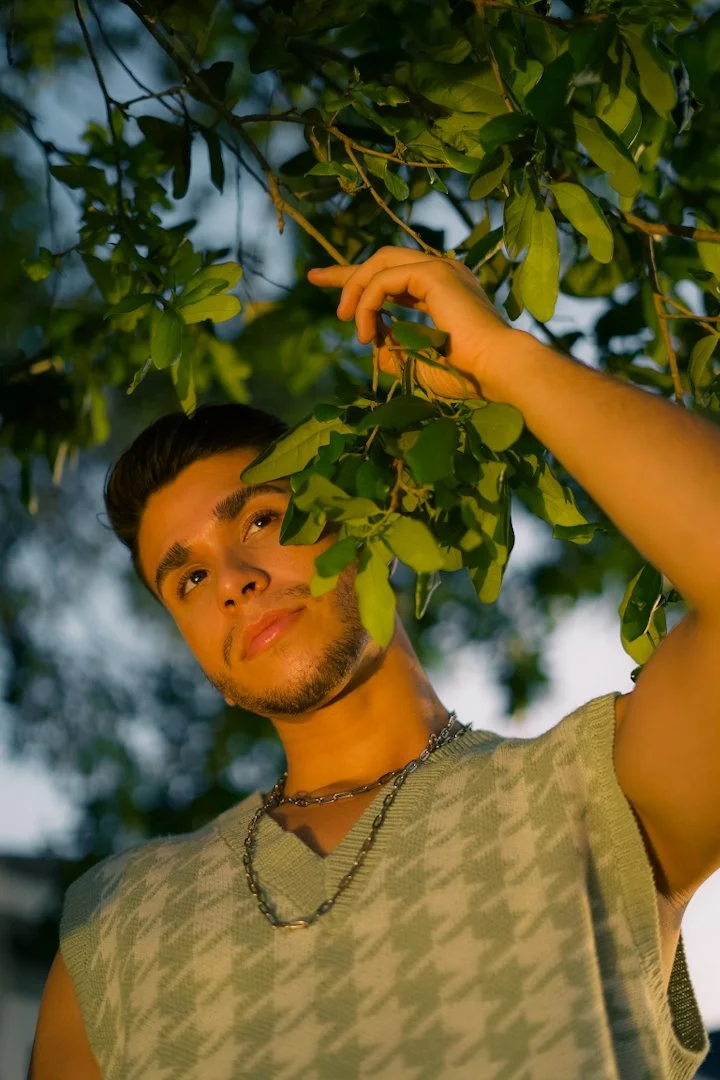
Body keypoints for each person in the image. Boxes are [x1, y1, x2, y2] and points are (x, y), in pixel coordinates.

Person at [28, 249, 714, 1079]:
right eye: (191, 578)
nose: (235, 584)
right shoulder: (112, 923)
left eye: (261, 519)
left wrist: (505, 360)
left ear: (367, 516)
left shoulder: (591, 789)